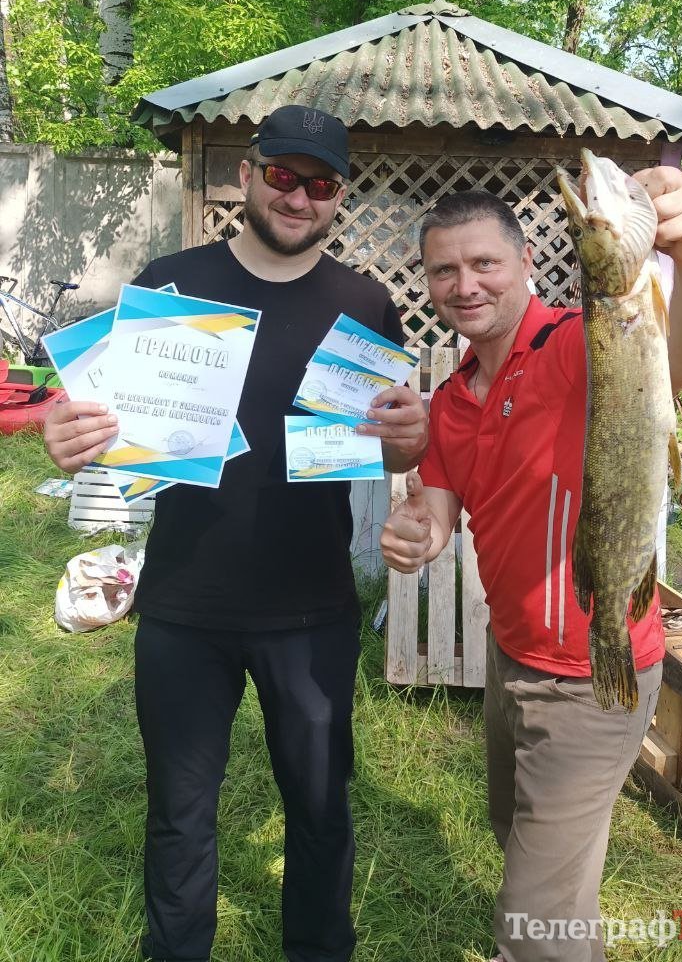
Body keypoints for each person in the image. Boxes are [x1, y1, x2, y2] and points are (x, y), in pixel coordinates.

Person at [44, 104, 428, 962]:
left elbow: (391, 443)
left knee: (321, 812)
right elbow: (98, 416)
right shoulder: (172, 285)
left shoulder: (365, 305)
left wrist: (412, 443)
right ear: (248, 176)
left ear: (339, 198)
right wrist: (65, 436)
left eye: (321, 184)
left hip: (313, 609)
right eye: (284, 175)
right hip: (184, 607)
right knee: (179, 816)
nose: (299, 197)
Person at [380, 166, 682, 962]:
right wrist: (416, 535)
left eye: (484, 263)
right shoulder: (450, 399)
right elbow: (438, 512)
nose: (465, 285)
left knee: (534, 921)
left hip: (596, 672)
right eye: (444, 270)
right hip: (512, 657)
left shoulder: (581, 341)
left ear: (527, 261)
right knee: (522, 840)